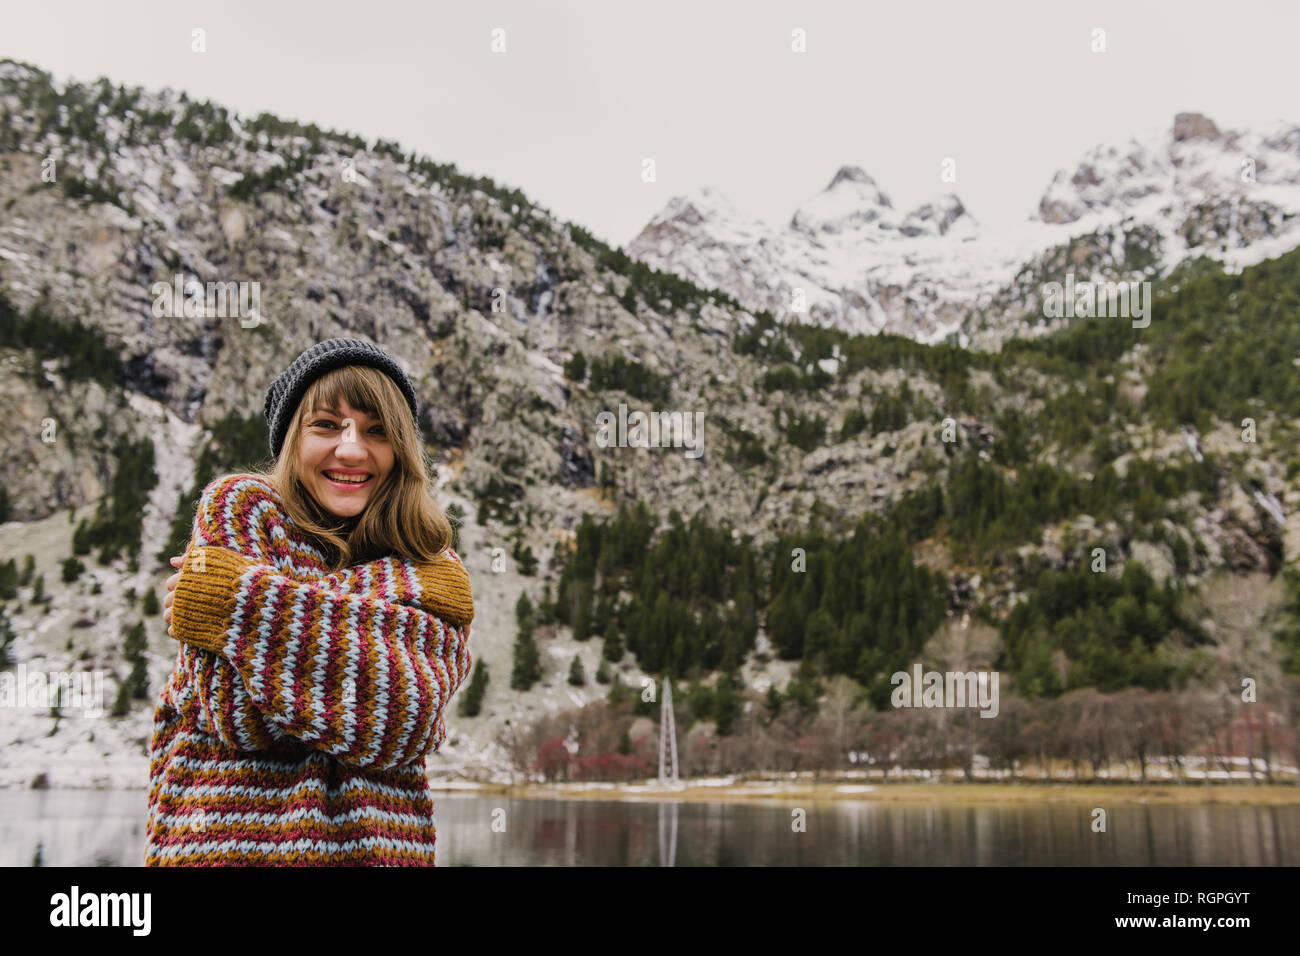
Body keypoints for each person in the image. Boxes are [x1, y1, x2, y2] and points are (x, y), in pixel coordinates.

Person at [144, 338, 475, 866]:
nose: (351, 449)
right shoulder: (242, 510)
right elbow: (236, 713)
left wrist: (232, 600)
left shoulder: (433, 560)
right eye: (326, 425)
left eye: (377, 430)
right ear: (292, 438)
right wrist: (378, 626)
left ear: (402, 449)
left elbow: (406, 714)